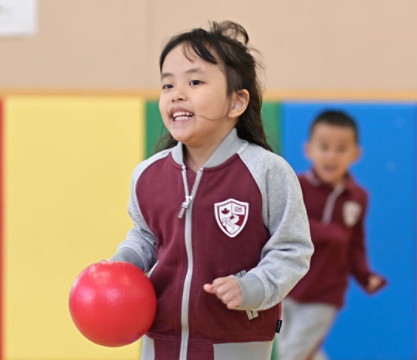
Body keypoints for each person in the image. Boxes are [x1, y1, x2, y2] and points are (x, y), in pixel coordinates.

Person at [109, 21, 313, 360]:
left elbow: (291, 249)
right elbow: (145, 237)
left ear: (236, 102)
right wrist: (123, 263)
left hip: (237, 343)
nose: (177, 93)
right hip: (160, 341)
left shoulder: (267, 172)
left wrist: (252, 287)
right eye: (167, 84)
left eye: (195, 81)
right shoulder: (147, 175)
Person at [277, 110, 387, 360]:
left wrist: (364, 275)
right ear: (309, 150)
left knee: (292, 353)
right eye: (324, 147)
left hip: (325, 293)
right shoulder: (296, 186)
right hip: (288, 286)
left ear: (355, 154)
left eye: (341, 149)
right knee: (289, 349)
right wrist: (329, 233)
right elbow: (284, 226)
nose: (331, 155)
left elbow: (355, 244)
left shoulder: (358, 197)